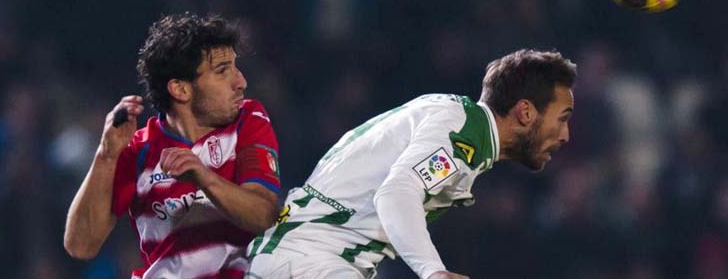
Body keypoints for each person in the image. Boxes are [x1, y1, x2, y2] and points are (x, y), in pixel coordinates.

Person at [246, 49, 577, 279]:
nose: (565, 135)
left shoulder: (453, 119)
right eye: (562, 119)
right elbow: (395, 194)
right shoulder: (464, 133)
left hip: (300, 257)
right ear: (526, 111)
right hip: (310, 262)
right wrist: (433, 271)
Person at [64, 13, 281, 279]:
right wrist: (106, 156)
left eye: (236, 67)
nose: (241, 82)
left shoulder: (248, 120)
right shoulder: (138, 150)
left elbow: (265, 216)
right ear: (181, 89)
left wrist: (204, 179)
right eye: (223, 71)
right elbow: (80, 245)